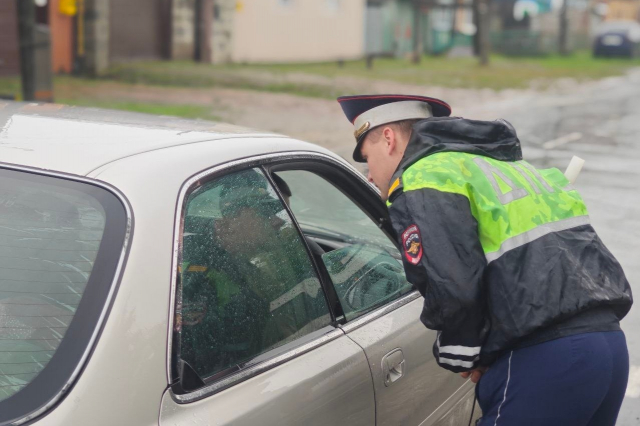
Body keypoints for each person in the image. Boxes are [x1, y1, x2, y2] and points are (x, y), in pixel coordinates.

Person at [338, 94, 633, 425]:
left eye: (367, 159)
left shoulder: (424, 176)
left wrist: (464, 356)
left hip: (547, 360)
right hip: (608, 347)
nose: (369, 175)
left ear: (388, 139)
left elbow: (453, 284)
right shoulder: (508, 167)